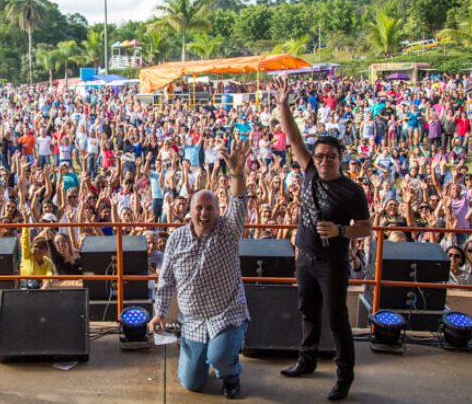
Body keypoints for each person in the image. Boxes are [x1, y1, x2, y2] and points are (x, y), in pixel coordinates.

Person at [273, 77, 372, 401]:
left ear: (340, 158)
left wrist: (341, 231)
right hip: (305, 257)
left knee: (337, 319)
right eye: (320, 156)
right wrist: (283, 104)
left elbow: (366, 228)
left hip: (333, 262)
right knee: (308, 312)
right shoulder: (310, 173)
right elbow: (294, 138)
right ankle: (307, 360)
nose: (324, 160)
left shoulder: (352, 191)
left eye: (330, 156)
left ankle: (344, 378)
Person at [148, 139, 250, 400]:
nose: (204, 213)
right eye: (199, 208)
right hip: (192, 319)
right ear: (190, 212)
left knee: (220, 357)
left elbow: (238, 204)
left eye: (210, 208)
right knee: (192, 384)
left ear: (218, 211)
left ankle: (231, 375)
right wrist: (159, 314)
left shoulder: (227, 232)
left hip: (226, 313)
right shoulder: (176, 238)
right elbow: (167, 279)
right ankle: (194, 353)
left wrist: (237, 173)